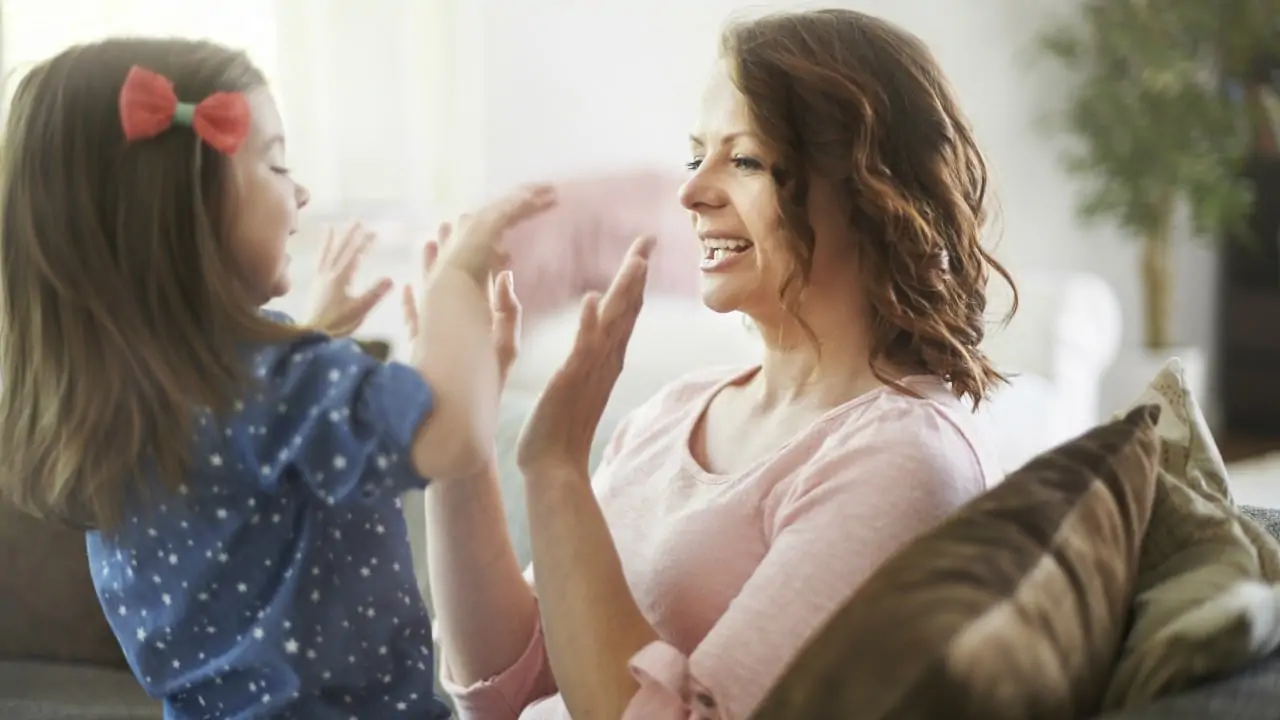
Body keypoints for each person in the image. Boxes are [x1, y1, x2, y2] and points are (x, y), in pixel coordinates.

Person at [425, 8, 1015, 720]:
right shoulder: (676, 410)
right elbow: (501, 685)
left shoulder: (907, 460)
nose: (691, 192)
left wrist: (556, 471)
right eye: (695, 155)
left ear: (870, 191)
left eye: (742, 159)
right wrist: (459, 439)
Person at [0, 37, 555, 719]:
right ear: (188, 206)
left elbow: (249, 469)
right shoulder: (278, 384)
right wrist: (456, 287)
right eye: (275, 163)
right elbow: (452, 434)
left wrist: (308, 335)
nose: (301, 190)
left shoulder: (123, 394)